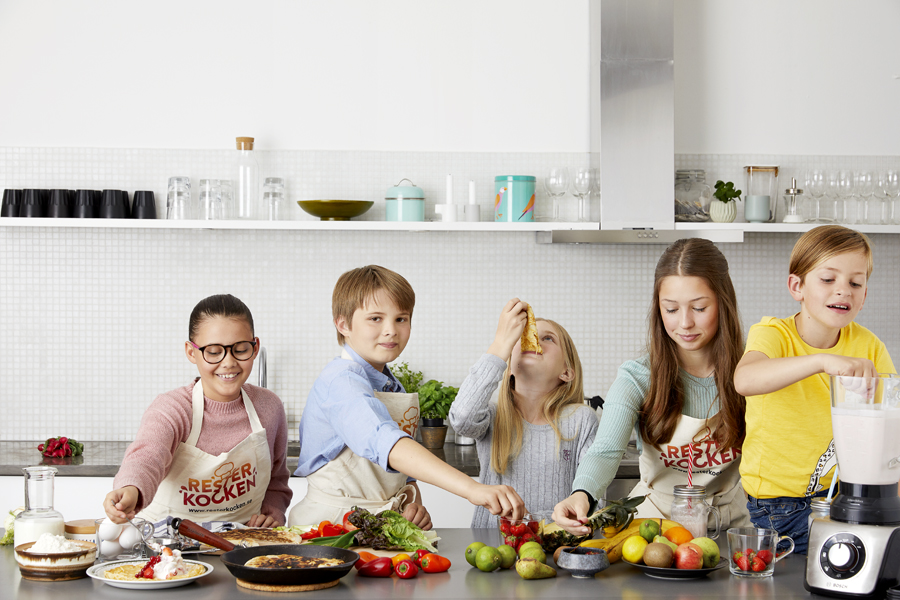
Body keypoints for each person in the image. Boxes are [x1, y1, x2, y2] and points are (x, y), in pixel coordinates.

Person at [287, 265, 525, 529]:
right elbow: (388, 445)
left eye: (401, 319)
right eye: (375, 318)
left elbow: (402, 473)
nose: (391, 330)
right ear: (343, 324)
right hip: (329, 528)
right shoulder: (341, 381)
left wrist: (414, 507)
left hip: (380, 525)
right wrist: (473, 489)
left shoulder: (392, 385)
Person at [552, 238, 750, 536]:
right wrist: (582, 493)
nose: (684, 323)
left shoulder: (752, 372)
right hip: (656, 527)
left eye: (699, 308)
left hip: (733, 527)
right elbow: (606, 451)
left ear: (724, 303)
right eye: (671, 309)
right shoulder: (637, 377)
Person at [734, 225, 895, 555]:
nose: (843, 291)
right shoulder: (773, 334)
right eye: (828, 279)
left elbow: (891, 419)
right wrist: (822, 361)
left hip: (844, 498)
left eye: (855, 282)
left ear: (864, 295)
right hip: (781, 507)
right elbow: (745, 380)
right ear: (797, 286)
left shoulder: (870, 346)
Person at [104, 294, 292, 527]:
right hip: (170, 548)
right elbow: (148, 455)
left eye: (240, 349)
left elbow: (277, 480)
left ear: (255, 348)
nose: (229, 362)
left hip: (243, 547)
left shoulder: (269, 408)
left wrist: (272, 514)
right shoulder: (172, 408)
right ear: (192, 352)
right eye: (213, 352)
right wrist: (131, 488)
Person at [448, 299, 599, 528]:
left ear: (567, 372)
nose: (534, 340)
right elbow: (461, 417)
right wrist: (500, 345)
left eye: (548, 338)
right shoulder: (491, 417)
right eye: (523, 337)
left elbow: (592, 484)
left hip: (555, 545)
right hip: (492, 548)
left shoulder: (581, 419)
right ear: (509, 366)